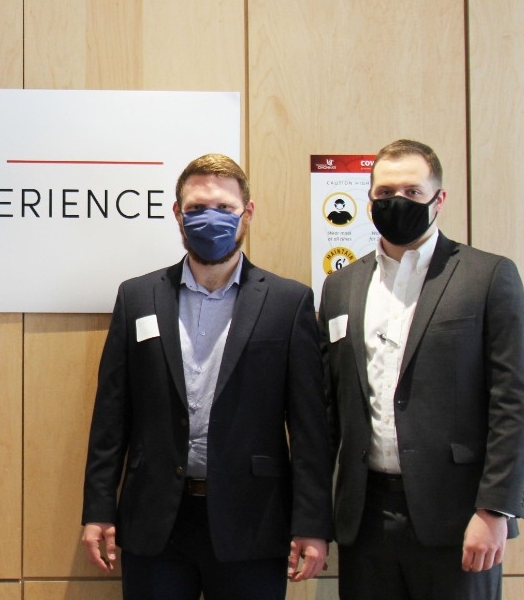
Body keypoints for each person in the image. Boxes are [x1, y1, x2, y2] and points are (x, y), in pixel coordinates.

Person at [80, 153, 333, 599]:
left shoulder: (288, 303)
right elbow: (111, 417)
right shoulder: (137, 297)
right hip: (155, 521)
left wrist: (312, 522)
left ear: (247, 213)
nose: (209, 218)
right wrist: (98, 509)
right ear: (177, 214)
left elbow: (309, 427)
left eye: (223, 208)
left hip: (252, 522)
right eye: (196, 208)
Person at [318, 139, 524, 599]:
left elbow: (515, 402)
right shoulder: (340, 286)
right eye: (385, 192)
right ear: (369, 199)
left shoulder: (489, 276)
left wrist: (494, 510)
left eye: (412, 191)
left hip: (459, 519)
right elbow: (329, 409)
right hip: (365, 520)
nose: (397, 201)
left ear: (439, 198)